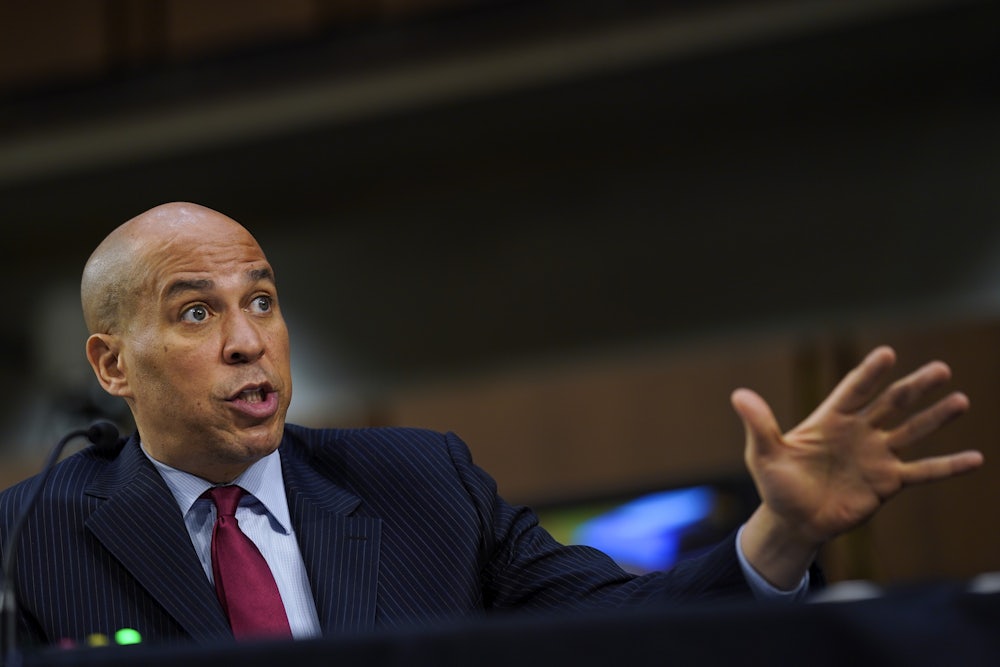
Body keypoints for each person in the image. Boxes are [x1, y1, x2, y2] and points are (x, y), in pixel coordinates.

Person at [0, 203, 984, 647]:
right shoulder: (30, 538)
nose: (249, 340)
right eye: (196, 312)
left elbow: (627, 629)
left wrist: (784, 532)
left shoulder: (425, 483)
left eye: (260, 299)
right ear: (111, 364)